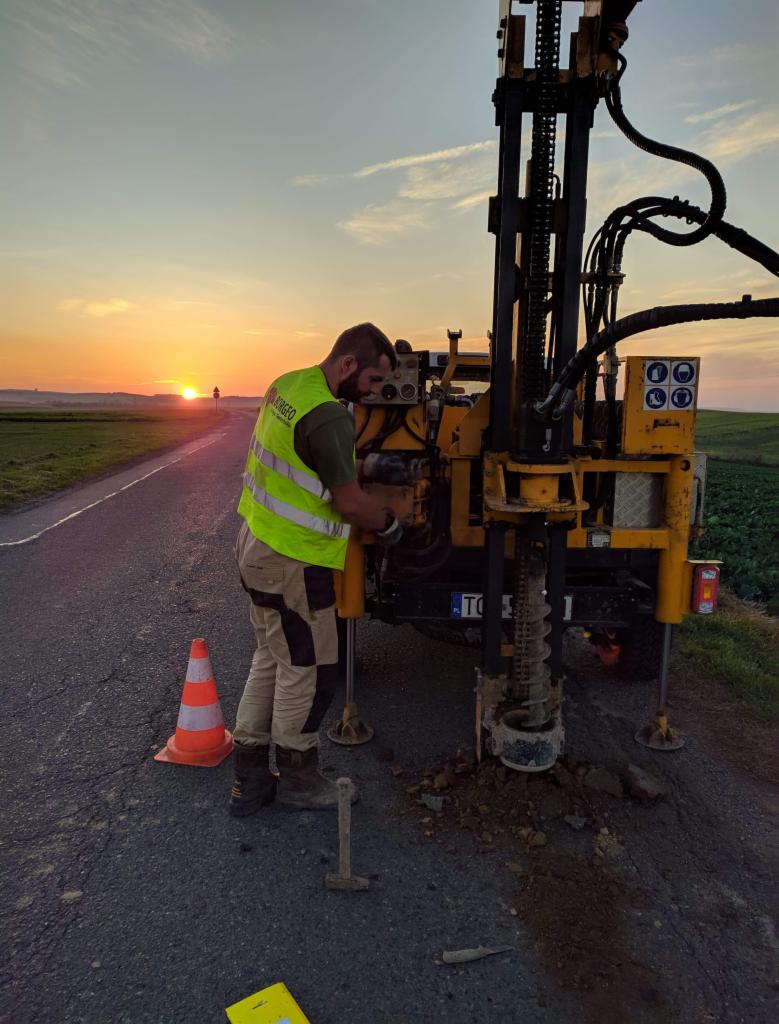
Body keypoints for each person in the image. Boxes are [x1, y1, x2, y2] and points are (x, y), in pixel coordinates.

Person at [229, 322, 403, 816]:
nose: (373, 392)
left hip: (256, 545)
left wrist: (363, 467)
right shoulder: (330, 416)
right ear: (347, 364)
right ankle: (299, 780)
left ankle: (250, 780)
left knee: (271, 659)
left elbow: (302, 460)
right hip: (292, 561)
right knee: (309, 671)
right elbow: (349, 505)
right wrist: (386, 523)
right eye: (371, 380)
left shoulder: (288, 384)